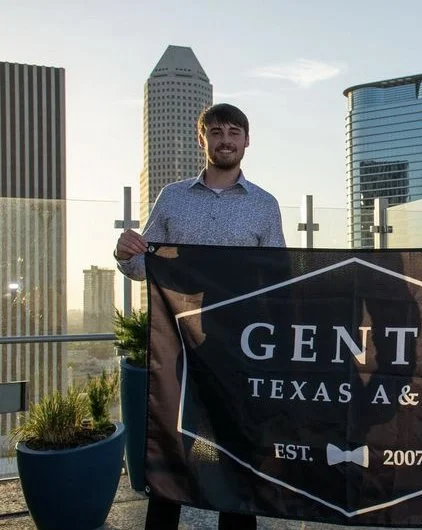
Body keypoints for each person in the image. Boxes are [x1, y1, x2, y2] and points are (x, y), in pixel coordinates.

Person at [115, 103, 285, 530]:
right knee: (173, 450)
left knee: (236, 454)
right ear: (202, 139)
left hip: (239, 350)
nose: (225, 141)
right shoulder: (172, 197)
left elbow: (277, 277)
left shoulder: (265, 205)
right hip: (179, 348)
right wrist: (125, 254)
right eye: (216, 132)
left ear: (247, 140)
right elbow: (144, 266)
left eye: (234, 132)